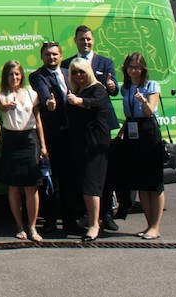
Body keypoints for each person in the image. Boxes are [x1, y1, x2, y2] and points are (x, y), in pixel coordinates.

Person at [63, 25, 121, 231]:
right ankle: (89, 217)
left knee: (103, 176)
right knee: (86, 178)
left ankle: (106, 214)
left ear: (93, 40)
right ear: (75, 41)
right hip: (80, 131)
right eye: (81, 39)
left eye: (88, 39)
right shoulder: (67, 64)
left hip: (100, 128)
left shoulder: (105, 62)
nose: (85, 42)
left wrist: (113, 87)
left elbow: (110, 91)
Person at [29, 40, 79, 233]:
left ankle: (69, 220)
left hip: (71, 135)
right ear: (42, 56)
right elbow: (44, 94)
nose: (51, 57)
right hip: (51, 136)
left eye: (55, 54)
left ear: (60, 55)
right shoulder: (37, 76)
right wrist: (49, 101)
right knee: (50, 179)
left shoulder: (68, 73)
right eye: (47, 54)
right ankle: (50, 219)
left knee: (69, 180)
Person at [0, 60, 47, 243]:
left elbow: (38, 120)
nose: (14, 77)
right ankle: (19, 225)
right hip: (11, 139)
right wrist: (4, 105)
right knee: (14, 186)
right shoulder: (3, 94)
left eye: (17, 74)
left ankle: (32, 227)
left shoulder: (32, 94)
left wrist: (43, 145)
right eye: (10, 74)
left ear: (21, 75)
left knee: (31, 186)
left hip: (30, 140)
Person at [116, 52, 165, 239]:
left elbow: (149, 112)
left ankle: (155, 226)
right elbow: (129, 116)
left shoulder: (151, 85)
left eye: (137, 67)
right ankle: (147, 225)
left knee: (155, 182)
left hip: (149, 132)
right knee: (141, 183)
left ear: (143, 69)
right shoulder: (125, 87)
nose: (133, 70)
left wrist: (143, 100)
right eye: (130, 67)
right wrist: (122, 132)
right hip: (132, 130)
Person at [65, 58, 115, 241]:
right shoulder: (76, 91)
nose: (78, 76)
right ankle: (93, 220)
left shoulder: (98, 89)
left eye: (81, 72)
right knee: (85, 186)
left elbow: (94, 103)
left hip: (96, 146)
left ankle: (95, 225)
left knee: (91, 186)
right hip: (80, 146)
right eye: (74, 73)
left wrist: (77, 101)